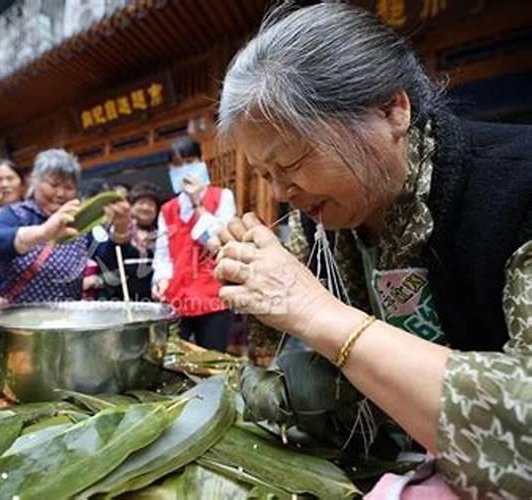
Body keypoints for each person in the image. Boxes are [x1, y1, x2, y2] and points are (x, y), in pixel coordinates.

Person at [213, 3, 531, 497]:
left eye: (292, 162)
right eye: (264, 175)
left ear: (391, 110)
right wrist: (248, 277)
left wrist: (319, 313)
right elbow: (271, 330)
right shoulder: (320, 218)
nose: (280, 193)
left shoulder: (518, 187)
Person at [0, 149, 131, 304]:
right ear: (35, 182)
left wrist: (121, 227)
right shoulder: (18, 214)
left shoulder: (81, 221)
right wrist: (43, 232)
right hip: (17, 319)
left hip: (66, 320)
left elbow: (107, 261)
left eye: (69, 187)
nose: (60, 193)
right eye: (54, 184)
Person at [152, 137, 237, 352]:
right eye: (177, 165)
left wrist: (197, 202)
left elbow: (217, 243)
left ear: (201, 161)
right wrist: (161, 279)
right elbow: (163, 255)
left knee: (212, 361)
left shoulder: (222, 197)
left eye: (190, 161)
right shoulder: (167, 209)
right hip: (177, 298)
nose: (184, 169)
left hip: (213, 297)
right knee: (172, 361)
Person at [99, 181, 165, 301]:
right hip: (120, 299)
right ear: (131, 206)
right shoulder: (115, 229)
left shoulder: (163, 235)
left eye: (150, 204)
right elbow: (106, 259)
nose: (145, 207)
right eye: (141, 203)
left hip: (155, 298)